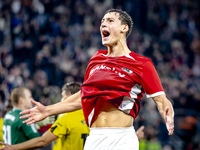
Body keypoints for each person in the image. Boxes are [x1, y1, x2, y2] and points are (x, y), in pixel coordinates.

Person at [18, 9, 174, 150]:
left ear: (124, 28)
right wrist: (48, 110)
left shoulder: (141, 63)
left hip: (122, 139)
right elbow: (84, 96)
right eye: (102, 22)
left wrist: (167, 111)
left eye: (110, 21)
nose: (103, 24)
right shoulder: (96, 59)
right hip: (94, 137)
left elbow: (161, 100)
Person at [0, 82, 90, 150]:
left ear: (69, 96)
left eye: (62, 96)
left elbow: (42, 141)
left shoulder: (65, 118)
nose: (61, 99)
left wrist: (13, 147)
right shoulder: (91, 116)